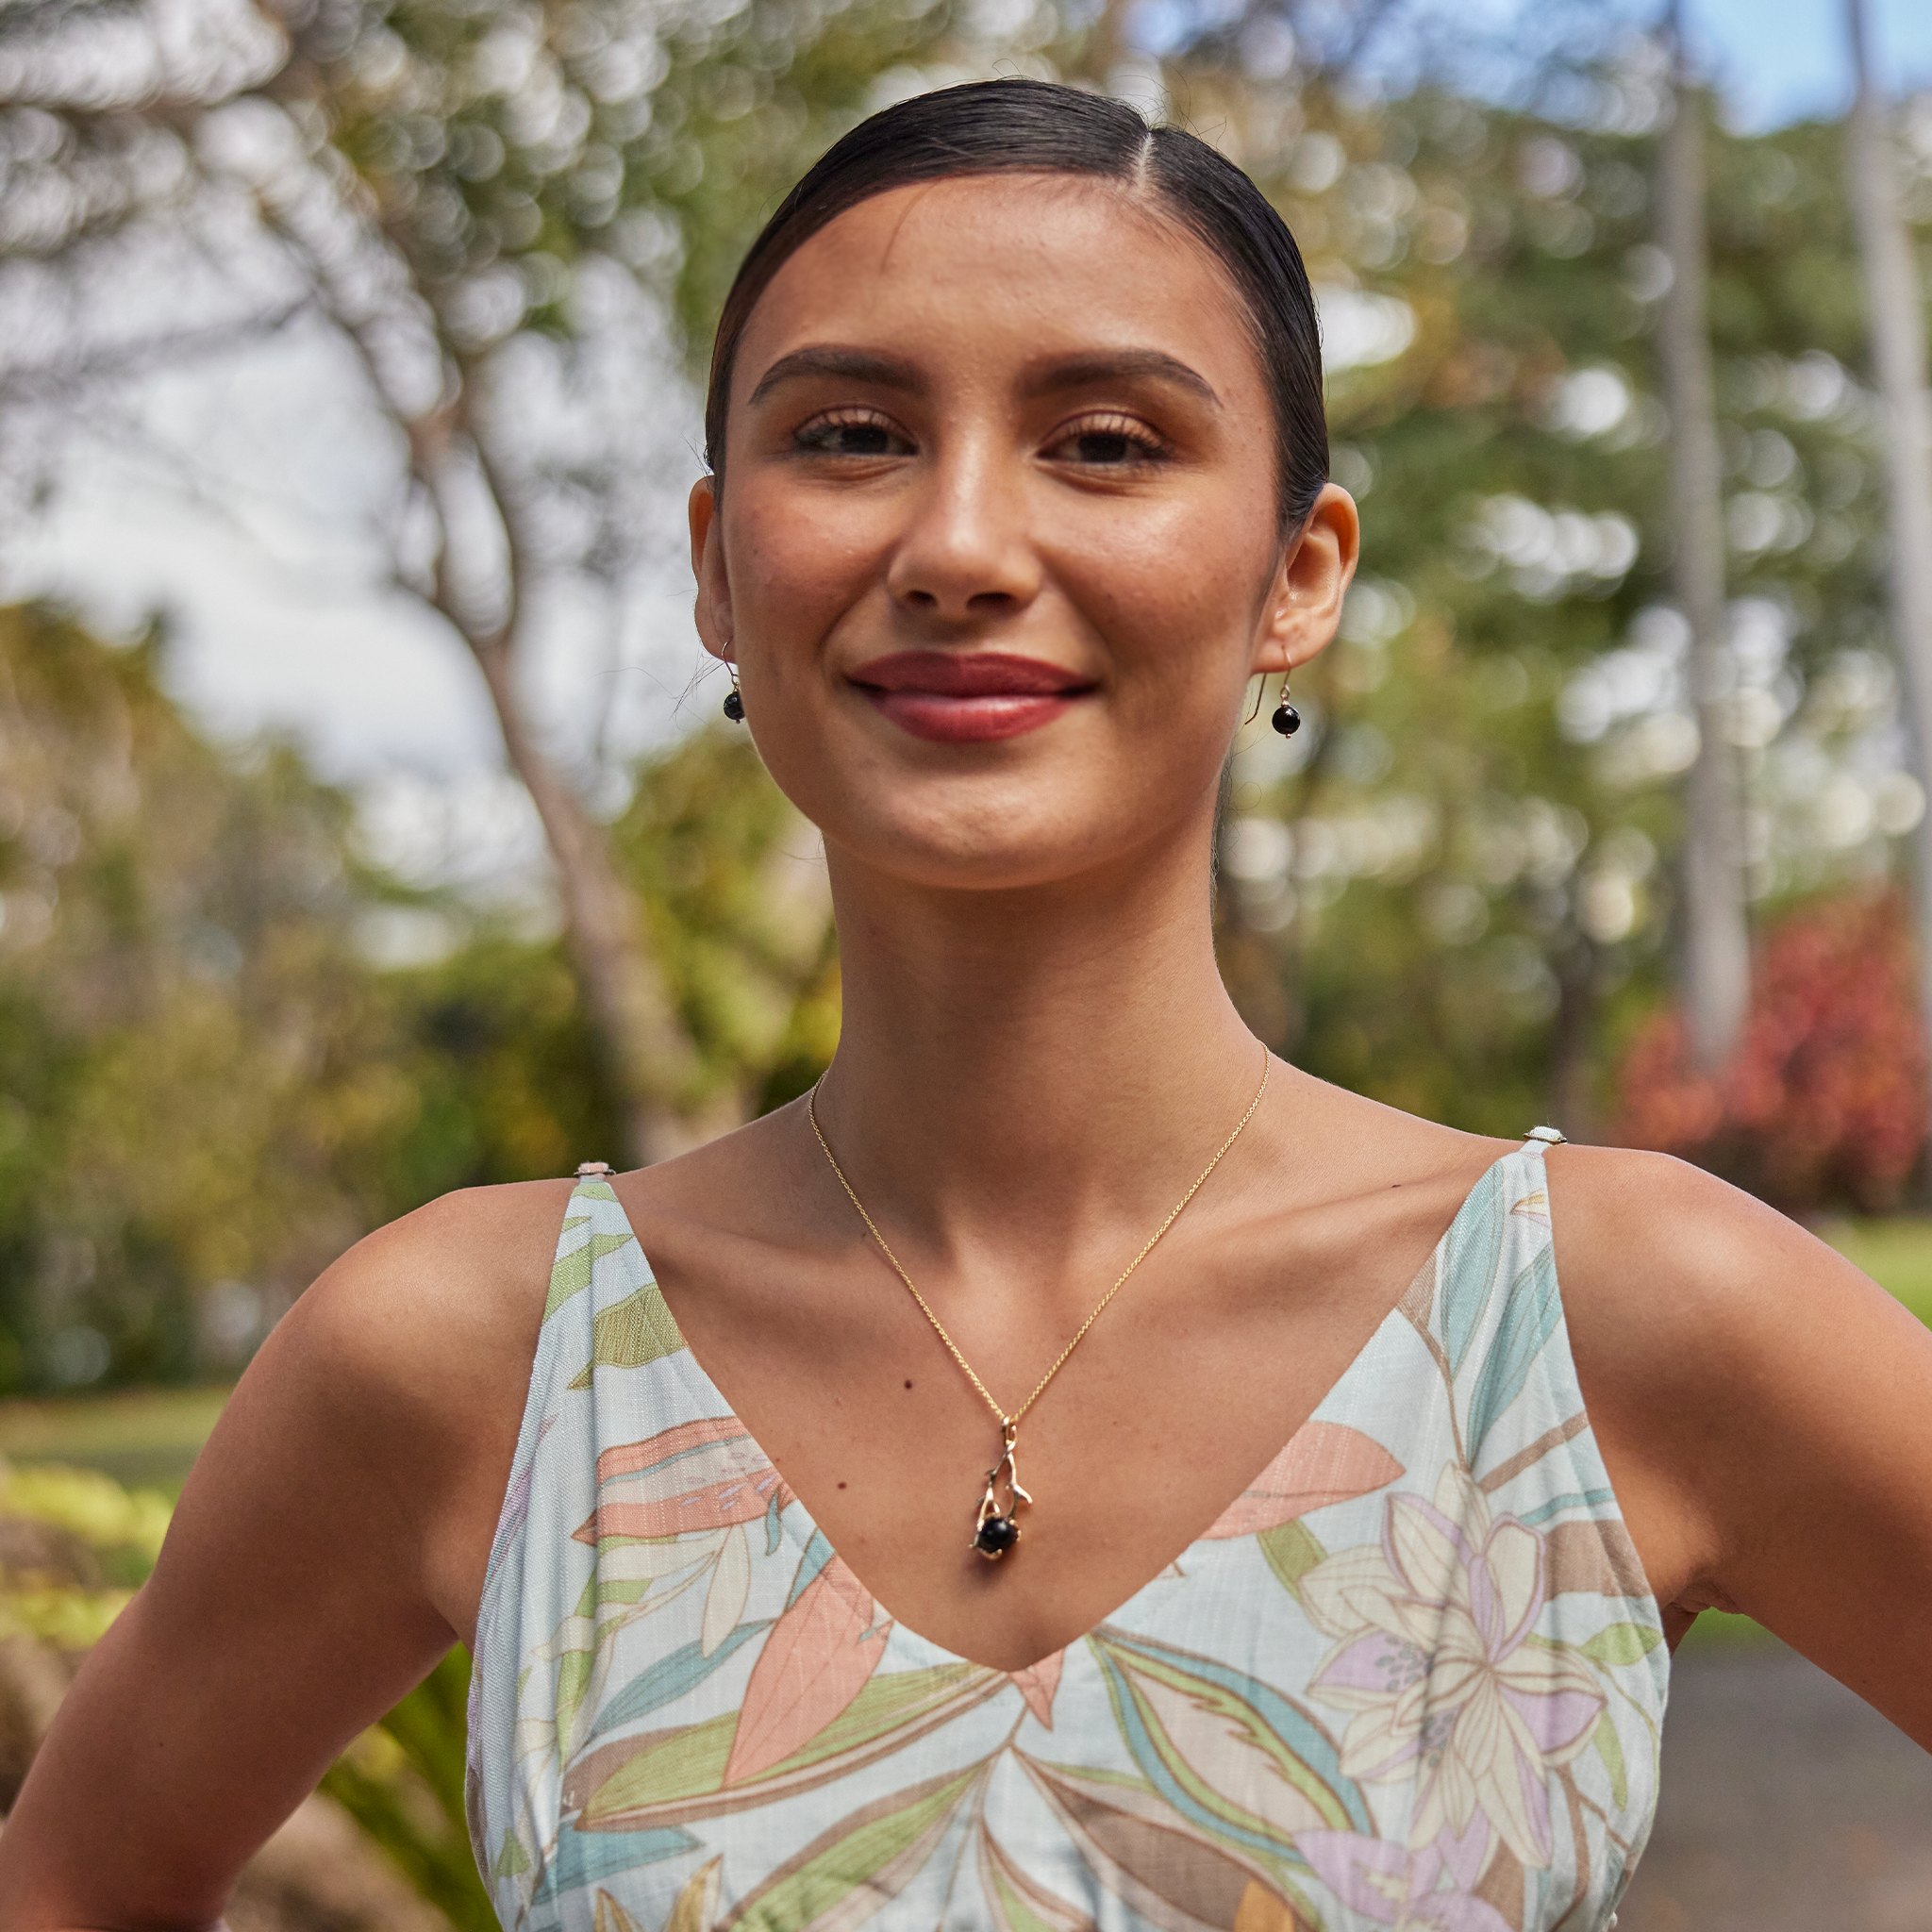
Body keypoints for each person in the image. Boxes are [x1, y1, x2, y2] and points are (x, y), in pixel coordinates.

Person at [4, 75, 1929, 1932]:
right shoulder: (479, 1361)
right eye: (852, 436)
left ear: (1298, 574)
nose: (959, 549)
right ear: (715, 566)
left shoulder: (1601, 1319)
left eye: (1107, 443)